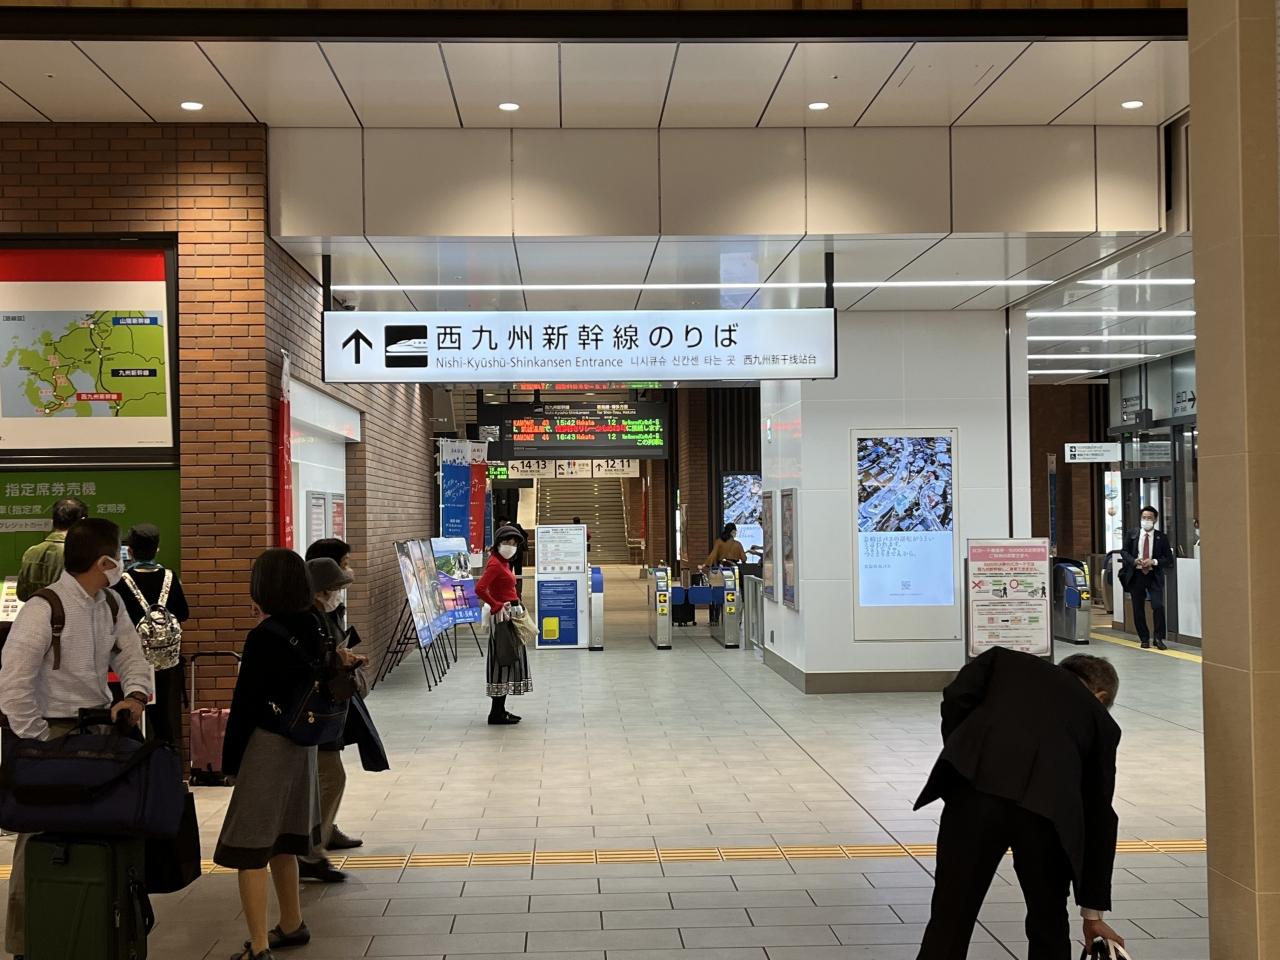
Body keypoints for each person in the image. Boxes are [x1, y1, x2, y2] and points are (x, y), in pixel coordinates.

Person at [0, 518, 153, 960]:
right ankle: (29, 943)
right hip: (51, 733)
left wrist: (135, 694)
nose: (120, 563)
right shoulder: (44, 608)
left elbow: (131, 654)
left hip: (99, 731)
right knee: (40, 836)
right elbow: (13, 683)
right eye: (117, 556)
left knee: (96, 831)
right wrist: (38, 740)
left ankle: (93, 930)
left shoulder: (110, 603)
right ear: (103, 561)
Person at [914, 648, 1124, 960]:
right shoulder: (1100, 721)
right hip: (1047, 816)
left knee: (951, 912)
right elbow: (1099, 814)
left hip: (976, 796)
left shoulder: (1004, 661)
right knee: (1048, 919)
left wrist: (971, 755)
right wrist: (1092, 915)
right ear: (1101, 696)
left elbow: (956, 697)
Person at [215, 548, 364, 960]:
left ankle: (259, 945)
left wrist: (230, 763)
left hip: (267, 747)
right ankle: (292, 923)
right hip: (304, 744)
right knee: (285, 840)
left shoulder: (264, 636)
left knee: (250, 848)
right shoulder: (316, 624)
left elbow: (245, 705)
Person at [297, 556, 363, 883]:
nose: (338, 594)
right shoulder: (310, 620)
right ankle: (309, 852)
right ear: (321, 590)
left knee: (326, 778)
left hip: (320, 716)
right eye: (335, 588)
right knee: (331, 778)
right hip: (312, 717)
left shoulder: (318, 616)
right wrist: (340, 661)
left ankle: (313, 847)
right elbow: (315, 666)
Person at [112, 523, 190, 746]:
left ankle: (131, 756)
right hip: (164, 659)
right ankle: (166, 758)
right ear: (157, 549)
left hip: (130, 659)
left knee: (128, 710)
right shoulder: (170, 577)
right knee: (162, 714)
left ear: (130, 551)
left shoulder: (121, 581)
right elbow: (183, 613)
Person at [475, 524, 532, 725]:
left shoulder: (504, 562)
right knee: (503, 658)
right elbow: (480, 588)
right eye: (507, 542)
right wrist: (496, 604)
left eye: (514, 543)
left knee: (508, 660)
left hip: (510, 615)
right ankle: (496, 712)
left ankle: (500, 710)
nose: (511, 546)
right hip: (503, 618)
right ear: (498, 543)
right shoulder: (495, 564)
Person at [1120, 505, 1175, 650]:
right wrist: (1134, 561)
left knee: (1158, 606)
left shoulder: (1161, 537)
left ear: (1155, 520)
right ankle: (1144, 638)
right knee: (1138, 608)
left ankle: (1158, 638)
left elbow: (1168, 559)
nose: (1146, 520)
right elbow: (1124, 552)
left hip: (1153, 575)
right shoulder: (1132, 534)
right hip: (1136, 575)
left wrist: (1154, 561)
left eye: (1149, 518)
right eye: (1144, 517)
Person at [16, 496, 87, 601]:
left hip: (37, 610)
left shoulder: (31, 552)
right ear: (82, 521)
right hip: (70, 611)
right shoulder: (81, 553)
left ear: (53, 521)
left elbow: (22, 594)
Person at [703, 524, 748, 625]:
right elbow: (744, 558)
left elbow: (713, 555)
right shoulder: (737, 544)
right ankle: (737, 618)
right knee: (739, 592)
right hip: (734, 570)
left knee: (718, 592)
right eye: (735, 531)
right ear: (732, 532)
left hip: (722, 569)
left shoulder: (719, 542)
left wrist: (705, 564)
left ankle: (715, 618)